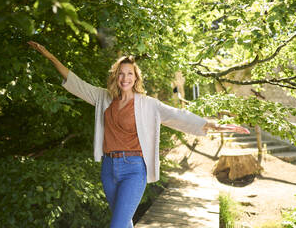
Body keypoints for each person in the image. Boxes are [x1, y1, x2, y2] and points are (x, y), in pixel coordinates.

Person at [27, 41, 250, 228]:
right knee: (123, 223)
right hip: (108, 169)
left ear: (136, 78)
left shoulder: (147, 104)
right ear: (116, 77)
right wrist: (50, 57)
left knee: (117, 225)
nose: (125, 78)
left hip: (134, 169)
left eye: (129, 74)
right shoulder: (103, 98)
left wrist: (211, 124)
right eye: (121, 74)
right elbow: (77, 83)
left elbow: (177, 115)